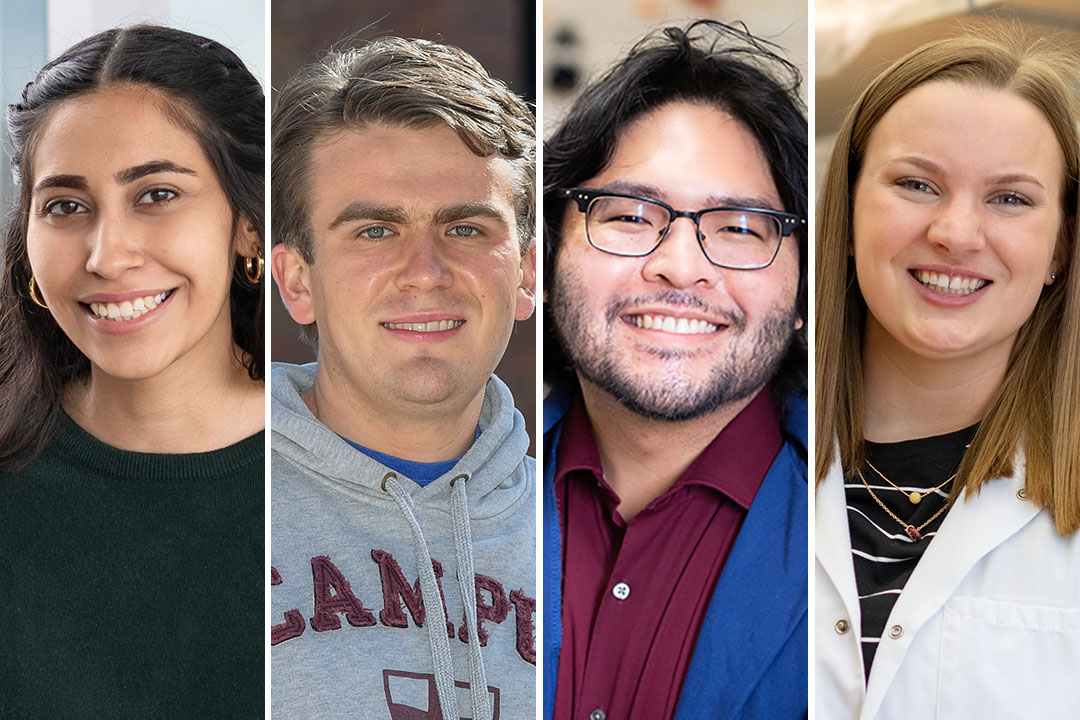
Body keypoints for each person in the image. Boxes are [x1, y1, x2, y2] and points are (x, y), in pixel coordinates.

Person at [543, 21, 808, 720]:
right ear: (542, 262)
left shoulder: (865, 525)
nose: (681, 266)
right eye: (630, 215)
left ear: (805, 294)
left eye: (740, 228)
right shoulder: (449, 486)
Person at [0, 25, 265, 718]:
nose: (106, 255)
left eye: (156, 195)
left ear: (248, 224)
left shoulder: (353, 466)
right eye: (65, 206)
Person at [815, 27, 1080, 719]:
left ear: (1060, 250)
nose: (957, 233)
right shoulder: (738, 451)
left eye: (1011, 198)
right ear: (847, 215)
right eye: (916, 184)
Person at [269, 36, 537, 720]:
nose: (426, 271)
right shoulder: (205, 503)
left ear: (528, 274)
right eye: (375, 232)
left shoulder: (581, 533)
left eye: (467, 229)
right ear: (297, 282)